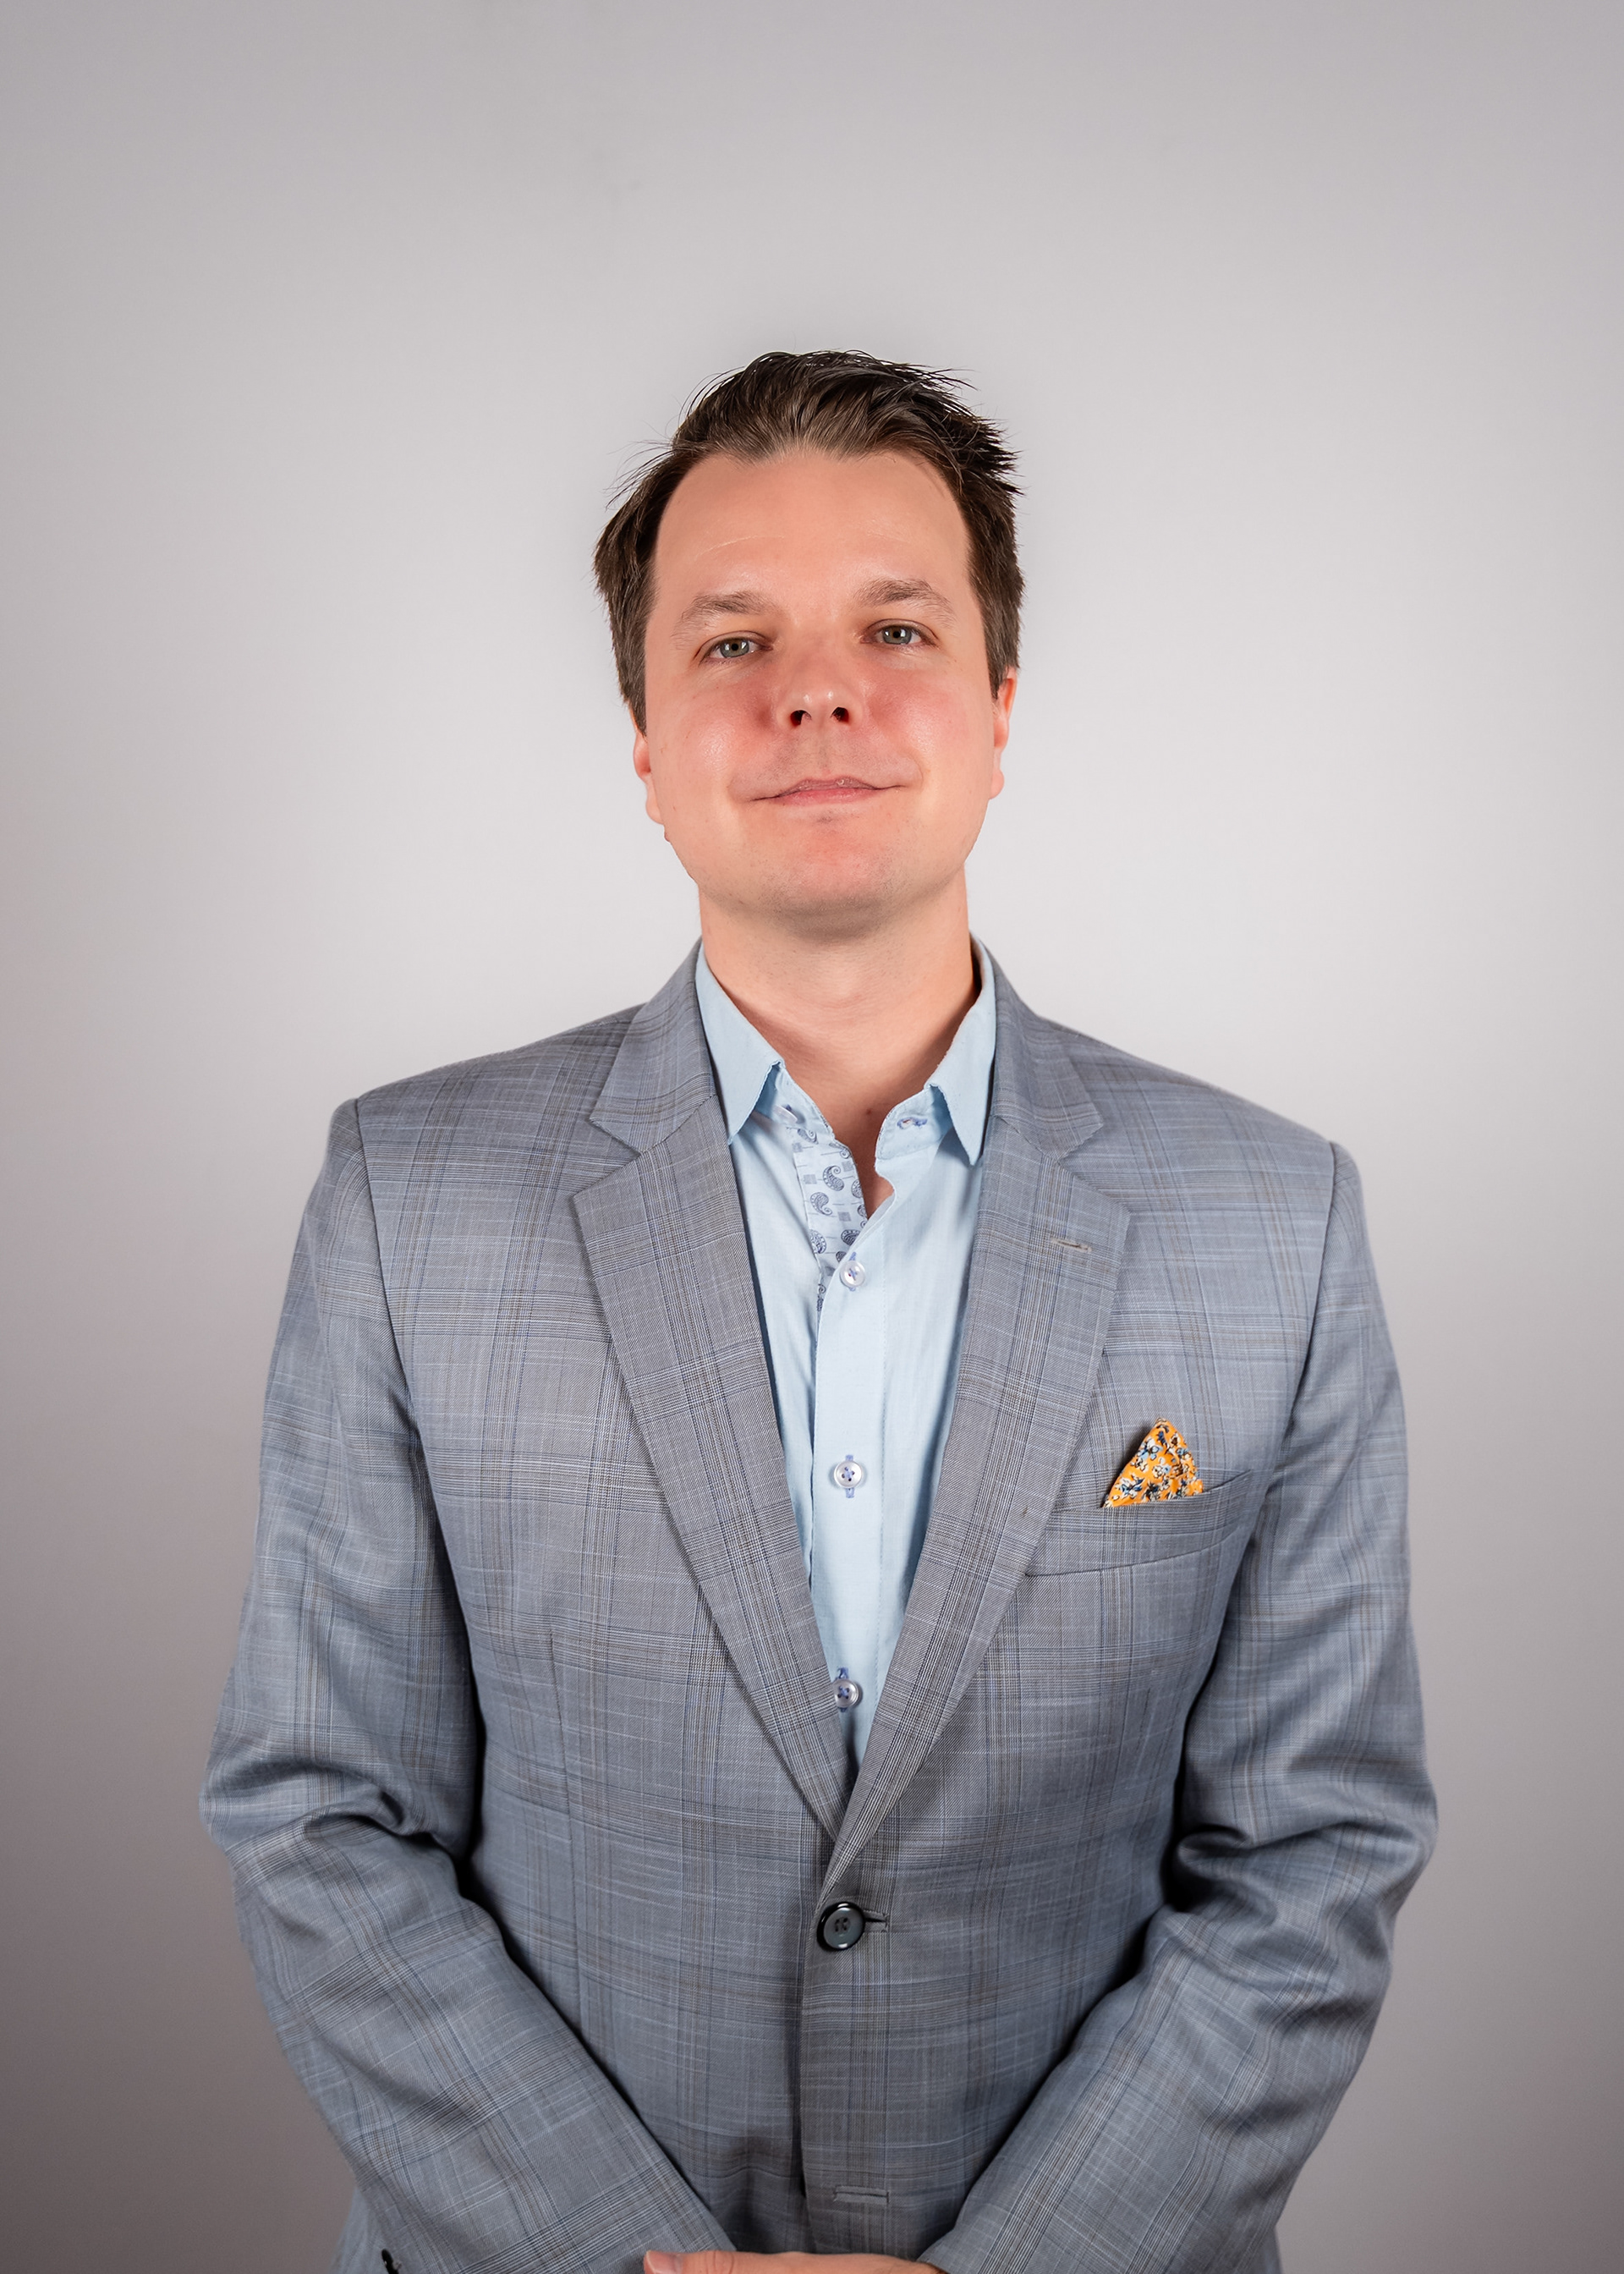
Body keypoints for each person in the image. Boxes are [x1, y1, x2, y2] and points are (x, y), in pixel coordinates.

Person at [204, 350, 1435, 2274]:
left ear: (1003, 709)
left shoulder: (1273, 1223)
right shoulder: (406, 1197)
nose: (817, 691)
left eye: (896, 627)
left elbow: (1313, 1848)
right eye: (732, 641)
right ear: (643, 739)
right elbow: (318, 1812)